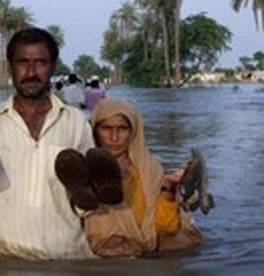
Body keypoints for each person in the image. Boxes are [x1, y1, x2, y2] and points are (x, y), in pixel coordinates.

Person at [0, 27, 114, 259]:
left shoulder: (75, 122)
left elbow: (85, 205)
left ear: (53, 67)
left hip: (65, 257)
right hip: (0, 259)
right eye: (22, 62)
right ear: (11, 67)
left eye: (40, 62)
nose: (30, 71)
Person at [83, 98, 203, 258]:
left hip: (146, 244)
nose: (114, 137)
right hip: (107, 248)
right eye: (106, 128)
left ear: (133, 132)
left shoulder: (149, 169)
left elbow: (165, 227)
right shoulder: (83, 168)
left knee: (179, 242)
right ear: (94, 131)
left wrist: (168, 188)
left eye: (122, 129)